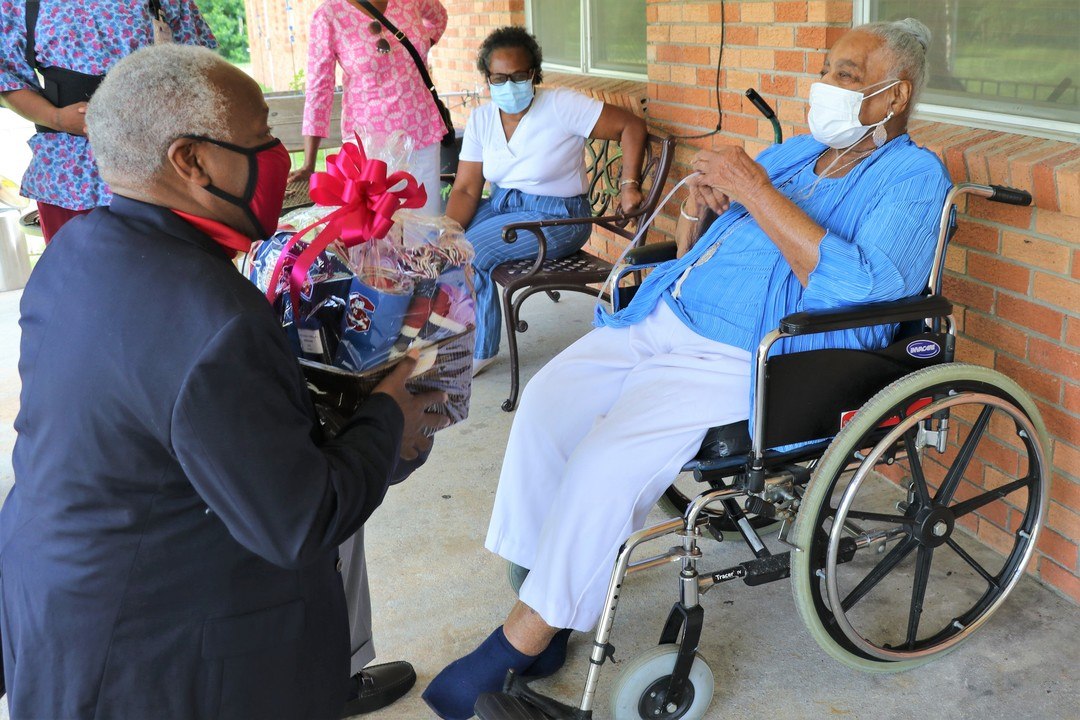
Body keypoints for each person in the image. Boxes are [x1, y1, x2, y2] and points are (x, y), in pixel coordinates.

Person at [424, 18, 951, 719]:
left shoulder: (914, 176)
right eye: (828, 70)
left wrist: (756, 192)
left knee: (609, 456)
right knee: (548, 403)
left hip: (754, 350)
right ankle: (545, 594)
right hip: (667, 312)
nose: (826, 85)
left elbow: (865, 292)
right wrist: (703, 211)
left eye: (847, 76)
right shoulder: (799, 154)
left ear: (895, 96)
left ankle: (522, 638)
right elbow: (702, 247)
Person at [0, 44, 448, 719]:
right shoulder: (215, 319)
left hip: (60, 601)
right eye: (262, 135)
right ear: (192, 160)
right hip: (156, 660)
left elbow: (169, 416)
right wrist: (388, 415)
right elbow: (301, 520)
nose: (279, 155)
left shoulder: (78, 251)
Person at [444, 26, 647, 376]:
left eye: (519, 76)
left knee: (470, 249)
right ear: (487, 79)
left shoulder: (561, 105)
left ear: (534, 74)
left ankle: (478, 349)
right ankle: (453, 331)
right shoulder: (481, 119)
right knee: (446, 240)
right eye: (499, 78)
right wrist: (445, 231)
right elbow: (465, 189)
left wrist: (629, 185)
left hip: (559, 217)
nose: (509, 85)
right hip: (505, 208)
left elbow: (631, 126)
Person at [0, 0, 216, 243]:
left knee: (173, 260)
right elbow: (6, 76)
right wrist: (56, 118)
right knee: (75, 264)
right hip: (70, 172)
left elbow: (201, 67)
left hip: (159, 163)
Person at [292, 0, 449, 217]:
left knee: (425, 226)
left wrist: (419, 48)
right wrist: (309, 163)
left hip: (422, 133)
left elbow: (439, 18)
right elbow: (319, 88)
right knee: (379, 230)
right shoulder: (329, 15)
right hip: (369, 147)